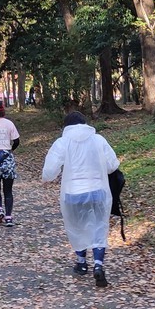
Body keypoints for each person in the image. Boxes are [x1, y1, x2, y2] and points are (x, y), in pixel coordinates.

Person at [41, 111, 119, 288]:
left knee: (77, 227)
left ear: (66, 126)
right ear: (85, 124)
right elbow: (112, 165)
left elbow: (50, 170)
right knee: (99, 226)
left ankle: (81, 263)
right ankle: (98, 264)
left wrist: (46, 178)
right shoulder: (99, 140)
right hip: (98, 191)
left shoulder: (62, 142)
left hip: (73, 193)